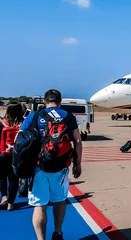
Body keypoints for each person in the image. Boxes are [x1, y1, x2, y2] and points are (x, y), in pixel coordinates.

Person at [21, 89, 82, 240]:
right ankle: (58, 232)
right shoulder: (68, 116)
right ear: (60, 101)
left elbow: (20, 140)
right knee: (60, 200)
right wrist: (77, 163)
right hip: (61, 167)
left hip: (38, 166)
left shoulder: (34, 116)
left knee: (40, 205)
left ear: (44, 102)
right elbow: (78, 141)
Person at [0, 103, 24, 211]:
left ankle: (4, 197)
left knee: (2, 177)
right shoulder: (22, 124)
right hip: (16, 155)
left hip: (2, 154)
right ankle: (10, 203)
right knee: (13, 178)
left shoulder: (1, 124)